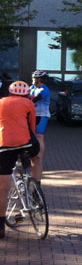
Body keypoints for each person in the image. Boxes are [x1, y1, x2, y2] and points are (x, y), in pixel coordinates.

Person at [0, 81, 39, 240]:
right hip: (27, 144)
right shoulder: (29, 104)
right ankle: (33, 185)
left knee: (2, 189)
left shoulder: (1, 102)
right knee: (36, 156)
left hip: (5, 146)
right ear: (27, 94)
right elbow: (32, 127)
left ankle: (0, 227)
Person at [29, 70, 51, 183]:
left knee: (39, 136)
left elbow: (34, 99)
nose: (35, 80)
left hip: (42, 115)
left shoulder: (44, 89)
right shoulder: (31, 87)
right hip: (31, 114)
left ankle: (39, 156)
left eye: (37, 79)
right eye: (34, 78)